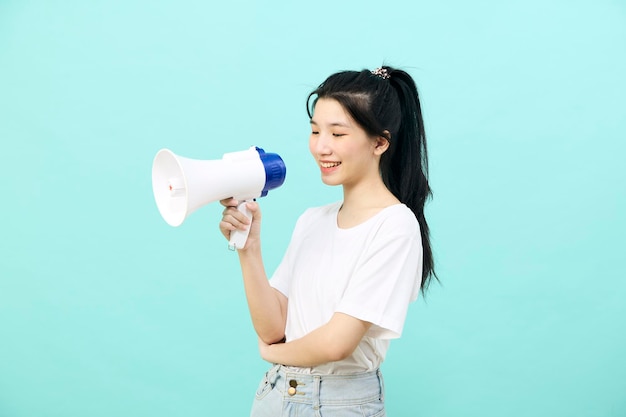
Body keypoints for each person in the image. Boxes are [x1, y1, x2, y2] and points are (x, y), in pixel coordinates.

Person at [219, 65, 436, 417]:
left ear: (380, 142)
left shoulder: (395, 226)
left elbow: (337, 342)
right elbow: (273, 328)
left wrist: (273, 355)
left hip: (337, 404)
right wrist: (249, 248)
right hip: (274, 396)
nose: (321, 147)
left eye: (337, 134)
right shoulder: (312, 220)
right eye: (315, 130)